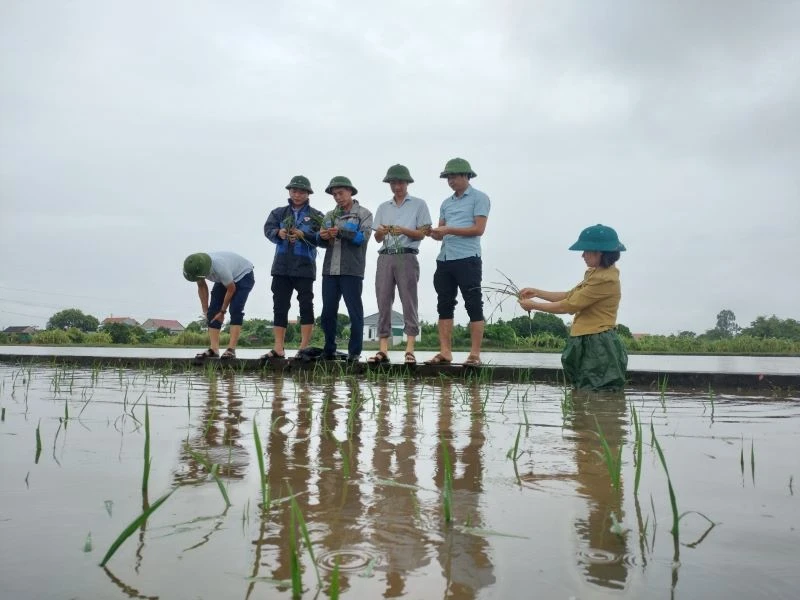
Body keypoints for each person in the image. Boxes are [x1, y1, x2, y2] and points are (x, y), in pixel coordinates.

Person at [517, 224, 628, 390]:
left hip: (598, 343)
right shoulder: (595, 273)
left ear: (599, 252)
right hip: (586, 338)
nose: (582, 255)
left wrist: (534, 305)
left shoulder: (605, 279)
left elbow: (569, 306)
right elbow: (570, 295)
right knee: (582, 391)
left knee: (597, 390)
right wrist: (537, 292)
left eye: (586, 251)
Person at [426, 157, 490, 367]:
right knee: (444, 304)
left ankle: (474, 354)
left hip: (468, 258)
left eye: (453, 177)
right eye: (448, 178)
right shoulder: (446, 203)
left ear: (466, 176)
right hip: (445, 259)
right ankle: (445, 352)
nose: (450, 181)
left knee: (473, 303)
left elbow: (478, 229)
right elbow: (440, 232)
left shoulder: (480, 198)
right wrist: (432, 232)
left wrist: (449, 230)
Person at [369, 164, 432, 366]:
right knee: (383, 300)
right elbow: (377, 238)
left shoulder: (419, 204)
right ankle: (383, 350)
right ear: (389, 184)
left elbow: (423, 233)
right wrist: (384, 231)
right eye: (393, 182)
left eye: (401, 182)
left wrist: (403, 230)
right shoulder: (382, 207)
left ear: (407, 183)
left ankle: (410, 349)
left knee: (409, 301)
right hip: (385, 256)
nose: (397, 186)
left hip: (407, 256)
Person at [262, 175, 324, 359]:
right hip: (281, 266)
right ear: (289, 192)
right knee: (279, 306)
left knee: (306, 305)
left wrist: (303, 234)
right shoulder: (278, 213)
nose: (297, 194)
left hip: (305, 266)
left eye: (301, 191)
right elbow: (268, 230)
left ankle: (304, 347)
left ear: (308, 193)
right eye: (294, 191)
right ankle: (278, 348)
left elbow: (321, 239)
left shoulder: (316, 215)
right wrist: (279, 233)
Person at [319, 176, 373, 361]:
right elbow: (321, 242)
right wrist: (323, 236)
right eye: (334, 195)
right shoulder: (328, 216)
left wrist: (341, 232)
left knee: (354, 311)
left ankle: (354, 352)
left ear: (350, 191)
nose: (338, 197)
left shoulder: (364, 214)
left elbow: (362, 238)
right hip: (329, 271)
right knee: (327, 313)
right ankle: (329, 350)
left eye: (340, 193)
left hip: (352, 271)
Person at [182, 251, 255, 360]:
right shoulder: (197, 268)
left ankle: (231, 349)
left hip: (243, 275)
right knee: (212, 311)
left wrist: (222, 312)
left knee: (235, 309)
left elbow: (231, 289)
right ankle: (214, 349)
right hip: (227, 277)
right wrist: (206, 311)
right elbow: (202, 287)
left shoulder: (219, 267)